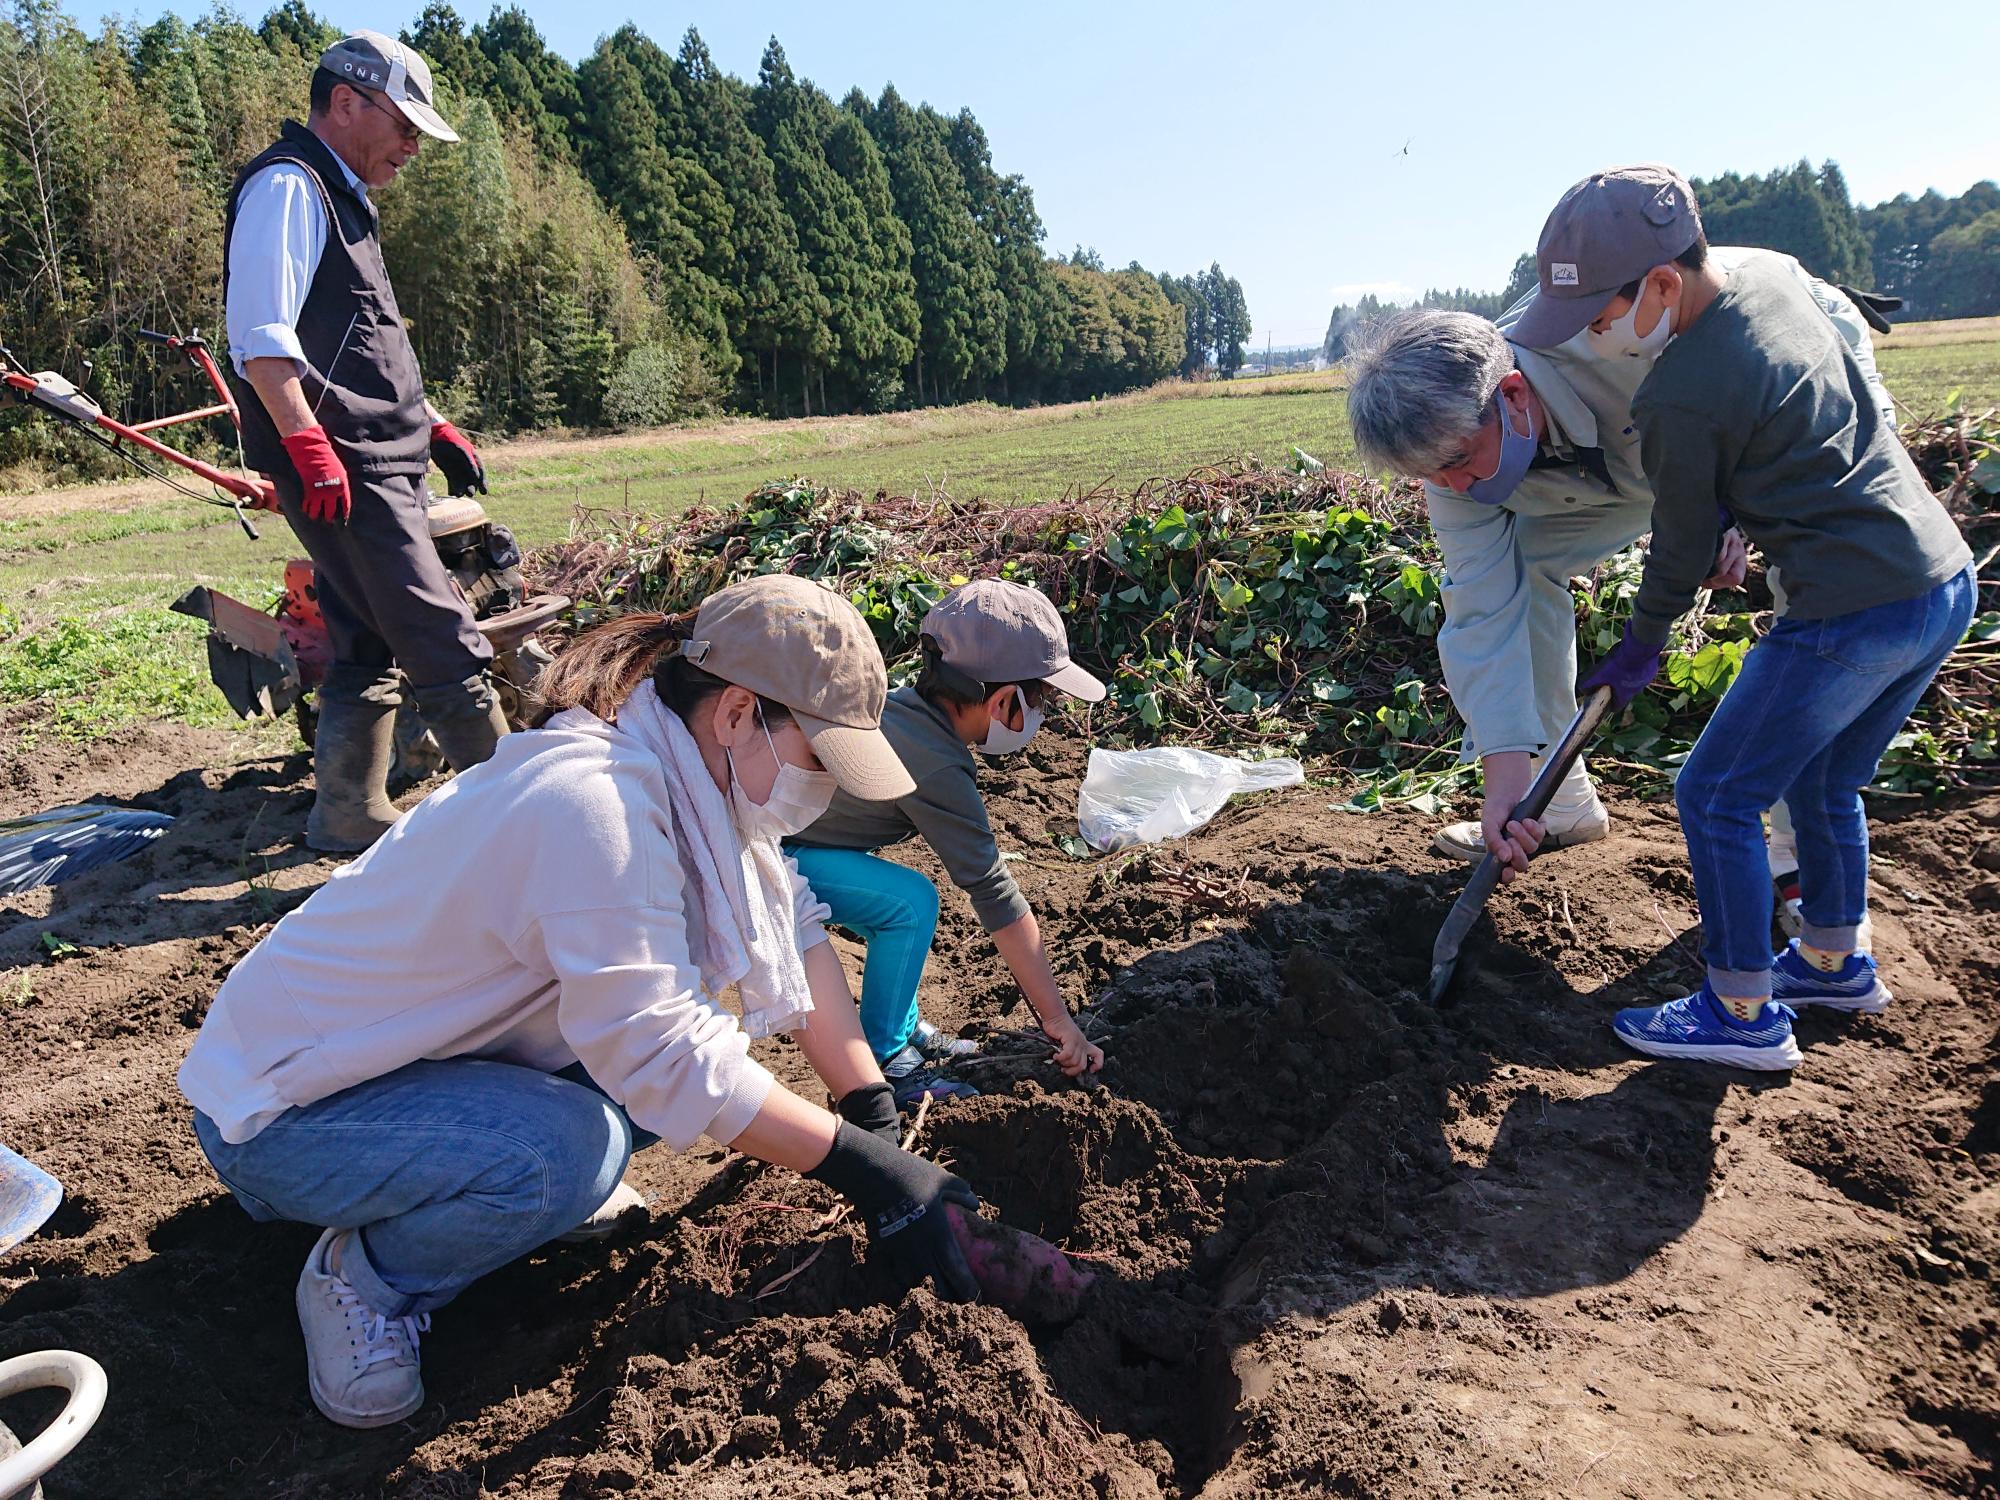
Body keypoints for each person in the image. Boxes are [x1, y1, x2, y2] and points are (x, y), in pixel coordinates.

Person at [176, 575, 985, 1429]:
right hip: (283, 1115)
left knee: (629, 1113)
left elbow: (800, 932)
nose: (822, 786)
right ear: (740, 712)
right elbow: (663, 1051)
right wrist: (869, 1171)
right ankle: (364, 1279)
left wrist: (869, 1107)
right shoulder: (595, 804)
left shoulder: (689, 782)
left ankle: (482, 1179)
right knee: (572, 1151)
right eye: (819, 757)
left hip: (408, 1069)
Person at [1513, 164, 1974, 1069]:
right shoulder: (1772, 281)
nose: (1596, 339)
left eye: (1599, 320)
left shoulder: (1679, 395)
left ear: (1658, 285)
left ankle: (1738, 1012)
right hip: (1938, 581)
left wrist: (1639, 648)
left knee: (1716, 793)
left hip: (1850, 613)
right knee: (1826, 777)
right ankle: (1833, 961)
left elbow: (1680, 554)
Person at [1343, 241, 1894, 889]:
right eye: (1434, 476)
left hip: (1788, 358)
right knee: (1517, 563)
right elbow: (1482, 608)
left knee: (1822, 556)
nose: (1455, 486)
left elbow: (1755, 400)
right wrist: (1504, 776)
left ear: (1513, 394)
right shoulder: (1450, 457)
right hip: (1616, 467)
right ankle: (1562, 804)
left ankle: (1803, 846)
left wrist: (1724, 510)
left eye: (1461, 461)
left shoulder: (1623, 330)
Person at [224, 30, 508, 853]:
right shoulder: (290, 186)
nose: (414, 145)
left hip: (372, 454)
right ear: (346, 102)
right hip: (345, 466)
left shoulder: (341, 195)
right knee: (438, 634)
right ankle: (522, 834)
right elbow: (262, 338)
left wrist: (429, 424)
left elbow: (359, 343)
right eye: (406, 125)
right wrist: (309, 446)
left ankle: (348, 812)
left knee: (364, 629)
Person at [788, 580, 1107, 1106]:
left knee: (892, 901)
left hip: (788, 842)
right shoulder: (936, 763)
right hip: (761, 859)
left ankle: (902, 1025)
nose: (1044, 715)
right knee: (909, 906)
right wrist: (1057, 1020)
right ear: (1003, 700)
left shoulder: (906, 712)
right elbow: (993, 892)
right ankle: (887, 1057)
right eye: (1043, 700)